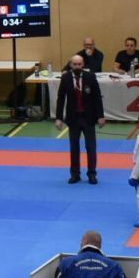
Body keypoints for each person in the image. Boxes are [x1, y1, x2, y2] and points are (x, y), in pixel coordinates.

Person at [54, 54, 104, 184]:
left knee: (91, 148)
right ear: (70, 65)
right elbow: (61, 99)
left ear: (83, 65)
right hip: (73, 118)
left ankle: (92, 174)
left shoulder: (90, 77)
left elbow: (97, 97)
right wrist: (58, 118)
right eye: (74, 64)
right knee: (74, 148)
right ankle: (75, 174)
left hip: (89, 118)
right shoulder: (65, 78)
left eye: (79, 64)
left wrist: (100, 116)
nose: (77, 66)